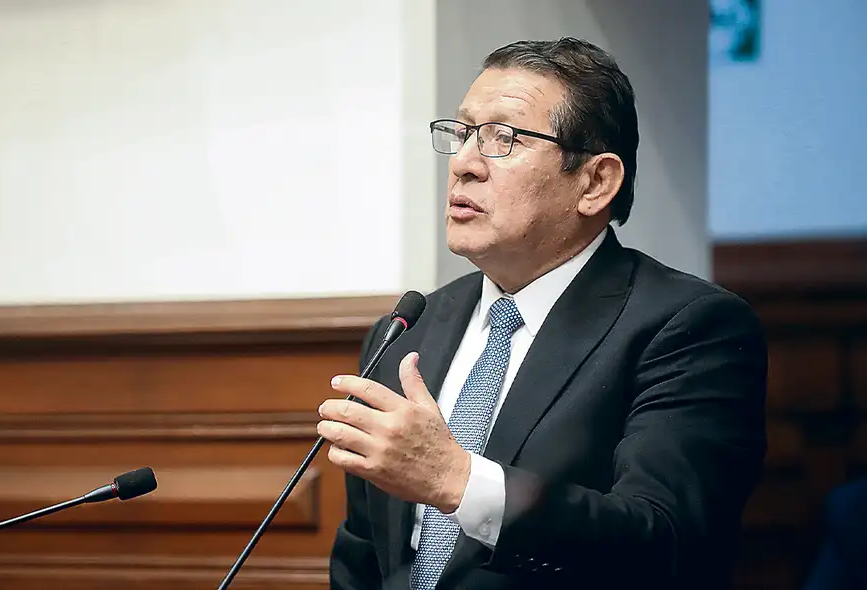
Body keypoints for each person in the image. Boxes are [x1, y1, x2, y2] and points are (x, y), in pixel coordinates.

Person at [317, 37, 768, 589]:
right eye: (462, 134)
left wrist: (456, 479)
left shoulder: (687, 328)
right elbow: (364, 554)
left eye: (503, 139)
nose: (463, 164)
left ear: (595, 182)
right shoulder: (412, 329)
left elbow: (663, 541)